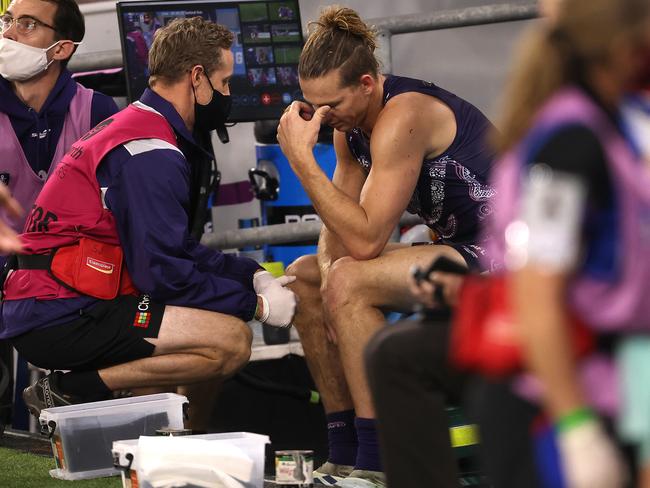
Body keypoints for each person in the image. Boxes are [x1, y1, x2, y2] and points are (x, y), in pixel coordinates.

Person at [367, 0, 650, 486]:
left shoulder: (624, 123)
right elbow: (536, 295)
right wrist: (577, 428)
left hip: (613, 374)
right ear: (626, 50)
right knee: (394, 353)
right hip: (553, 394)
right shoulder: (568, 145)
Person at [1, 17, 297, 430]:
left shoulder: (138, 125)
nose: (228, 95)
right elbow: (163, 274)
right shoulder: (151, 150)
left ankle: (151, 438)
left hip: (57, 300)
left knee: (196, 323)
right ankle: (76, 388)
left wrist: (251, 275)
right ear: (197, 78)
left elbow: (174, 248)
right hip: (60, 313)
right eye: (224, 82)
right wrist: (256, 307)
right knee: (230, 341)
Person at [276, 6, 497, 486]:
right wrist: (327, 283)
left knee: (349, 279)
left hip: (505, 258)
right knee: (305, 276)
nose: (323, 117)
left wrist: (300, 162)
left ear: (367, 84)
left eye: (332, 103)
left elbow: (367, 237)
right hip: (459, 249)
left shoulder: (404, 115)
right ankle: (343, 452)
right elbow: (338, 229)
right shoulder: (347, 127)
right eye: (313, 104)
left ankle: (379, 465)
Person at [0, 0, 119, 234]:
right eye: (7, 21)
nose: (8, 33)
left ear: (61, 49)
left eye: (27, 24)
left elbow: (116, 209)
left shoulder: (97, 111)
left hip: (73, 266)